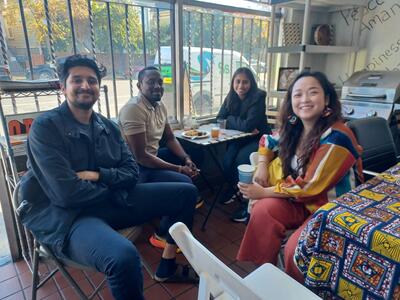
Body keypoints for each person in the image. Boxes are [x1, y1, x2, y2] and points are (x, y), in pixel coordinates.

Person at [19, 55, 198, 300]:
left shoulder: (108, 126)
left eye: (92, 81)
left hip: (110, 200)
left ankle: (167, 266)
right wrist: (112, 184)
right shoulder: (45, 127)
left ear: (98, 89)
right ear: (63, 86)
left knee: (186, 192)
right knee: (123, 257)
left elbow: (132, 172)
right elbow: (66, 194)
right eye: (77, 80)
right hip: (67, 216)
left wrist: (96, 175)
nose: (85, 86)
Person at [236, 71, 363, 280]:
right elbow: (266, 140)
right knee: (263, 211)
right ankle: (263, 274)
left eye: (312, 93)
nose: (304, 99)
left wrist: (263, 191)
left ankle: (296, 288)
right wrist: (261, 165)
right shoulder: (295, 127)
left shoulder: (337, 137)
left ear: (327, 99)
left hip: (331, 209)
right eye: (297, 94)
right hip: (302, 202)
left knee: (296, 248)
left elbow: (308, 186)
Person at [118, 66, 202, 248]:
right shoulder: (133, 109)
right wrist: (179, 169)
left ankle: (169, 227)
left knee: (194, 159)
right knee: (185, 185)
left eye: (160, 82)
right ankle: (163, 234)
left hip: (151, 162)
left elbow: (170, 138)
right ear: (139, 85)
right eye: (151, 82)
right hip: (135, 169)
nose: (157, 86)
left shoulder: (160, 106)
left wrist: (186, 159)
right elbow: (141, 157)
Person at [216, 67, 271, 222]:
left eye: (245, 82)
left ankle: (247, 203)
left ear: (251, 83)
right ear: (233, 82)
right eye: (238, 81)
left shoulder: (258, 96)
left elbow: (249, 125)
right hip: (240, 138)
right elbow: (220, 118)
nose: (241, 86)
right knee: (226, 161)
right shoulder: (231, 96)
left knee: (241, 161)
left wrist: (230, 120)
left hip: (259, 139)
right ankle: (235, 189)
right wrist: (235, 121)